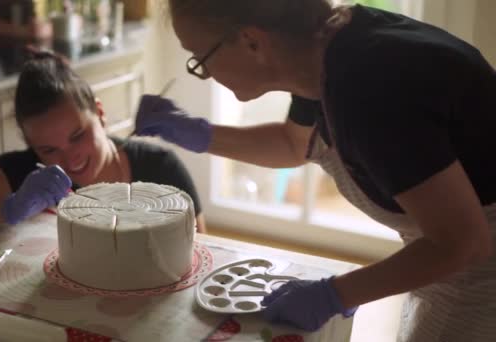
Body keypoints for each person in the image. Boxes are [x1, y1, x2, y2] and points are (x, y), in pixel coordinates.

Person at [132, 1, 496, 340]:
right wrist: (197, 133)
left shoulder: (372, 87)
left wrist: (335, 294)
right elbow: (294, 144)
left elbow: (462, 243)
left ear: (251, 41)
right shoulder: (322, 50)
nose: (205, 73)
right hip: (454, 260)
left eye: (200, 57)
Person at [0, 52, 206, 233]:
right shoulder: (25, 175)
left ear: (99, 114)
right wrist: (9, 208)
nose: (70, 158)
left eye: (78, 135)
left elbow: (202, 252)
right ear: (31, 145)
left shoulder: (160, 168)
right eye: (48, 149)